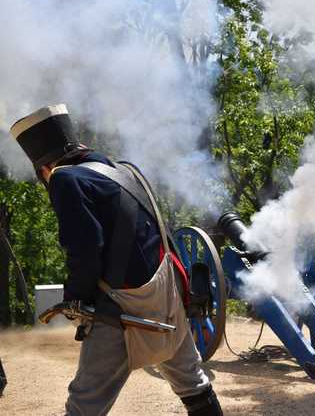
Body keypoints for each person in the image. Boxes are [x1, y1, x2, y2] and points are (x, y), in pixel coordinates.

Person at [9, 104, 223, 415]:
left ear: (43, 164)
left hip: (123, 306)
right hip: (168, 292)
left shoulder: (64, 179)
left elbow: (85, 248)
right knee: (194, 384)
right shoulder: (124, 169)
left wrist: (76, 297)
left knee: (84, 405)